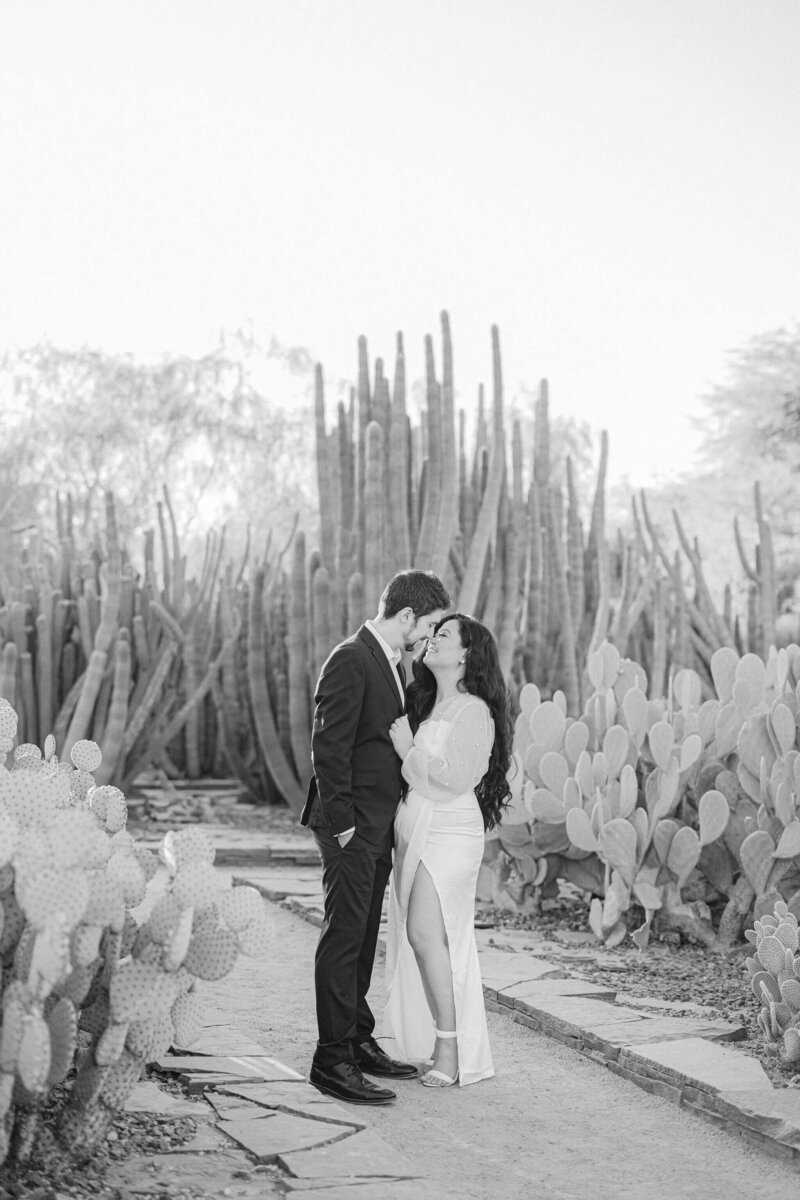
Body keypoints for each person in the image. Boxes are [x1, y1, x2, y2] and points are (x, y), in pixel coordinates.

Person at [301, 569, 451, 1105]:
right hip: (350, 826)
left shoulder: (390, 661)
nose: (430, 636)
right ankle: (330, 1060)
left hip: (375, 824)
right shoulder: (350, 657)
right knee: (344, 938)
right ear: (407, 616)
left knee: (364, 937)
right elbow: (328, 746)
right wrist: (343, 826)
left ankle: (358, 1040)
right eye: (430, 625)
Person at [384, 612, 513, 1087]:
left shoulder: (473, 710)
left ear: (466, 654)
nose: (434, 640)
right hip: (417, 827)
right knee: (421, 938)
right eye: (432, 634)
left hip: (451, 831)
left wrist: (406, 752)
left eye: (445, 635)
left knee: (428, 935)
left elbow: (454, 778)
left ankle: (451, 1048)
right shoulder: (430, 708)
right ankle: (438, 1038)